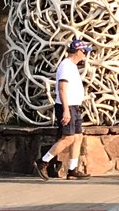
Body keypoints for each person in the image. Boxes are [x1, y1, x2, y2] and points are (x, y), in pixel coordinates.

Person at [34, 37, 92, 180]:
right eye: (84, 52)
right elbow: (62, 88)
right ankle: (43, 161)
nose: (85, 55)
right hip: (67, 106)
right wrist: (66, 110)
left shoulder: (72, 66)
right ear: (78, 51)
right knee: (68, 138)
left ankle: (72, 170)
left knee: (78, 137)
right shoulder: (66, 66)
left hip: (74, 106)